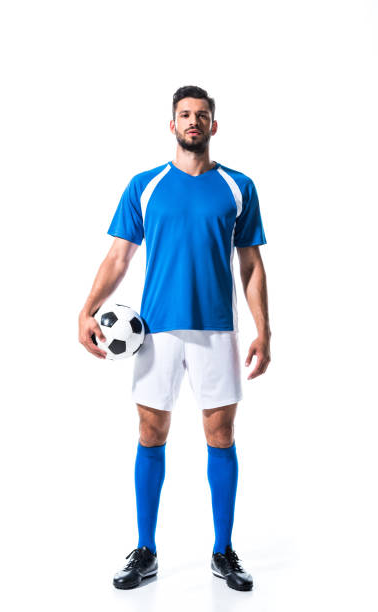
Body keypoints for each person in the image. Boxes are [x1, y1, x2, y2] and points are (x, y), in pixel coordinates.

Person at [78, 85, 271, 591]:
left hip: (217, 330)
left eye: (202, 115)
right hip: (156, 331)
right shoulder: (145, 185)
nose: (193, 122)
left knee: (222, 435)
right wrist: (87, 309)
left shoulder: (238, 187)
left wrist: (264, 330)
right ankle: (146, 550)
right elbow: (119, 256)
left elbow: (251, 265)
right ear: (172, 125)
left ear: (213, 125)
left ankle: (223, 551)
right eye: (184, 115)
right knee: (150, 433)